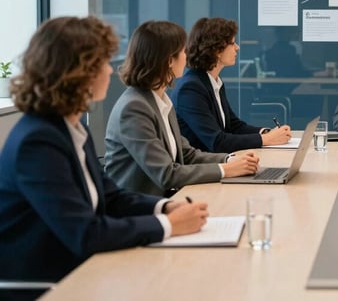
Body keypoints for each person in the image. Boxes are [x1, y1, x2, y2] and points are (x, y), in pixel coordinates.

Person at [0, 16, 209, 284]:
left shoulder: (71, 128)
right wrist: (169, 225)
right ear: (77, 72)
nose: (110, 71)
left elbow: (111, 197)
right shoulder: (38, 142)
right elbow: (85, 233)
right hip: (46, 284)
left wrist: (165, 207)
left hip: (80, 269)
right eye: (102, 63)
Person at [105, 20, 260, 197]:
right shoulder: (134, 108)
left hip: (168, 199)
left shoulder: (160, 99)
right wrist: (226, 169)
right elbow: (167, 174)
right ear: (170, 60)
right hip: (140, 210)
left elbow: (186, 154)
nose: (187, 56)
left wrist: (230, 159)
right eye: (183, 51)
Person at [171, 17, 292, 153]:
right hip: (204, 167)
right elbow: (217, 142)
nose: (237, 47)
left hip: (221, 161)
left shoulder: (213, 81)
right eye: (233, 43)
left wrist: (266, 132)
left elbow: (234, 126)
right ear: (217, 49)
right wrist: (267, 139)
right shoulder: (191, 89)